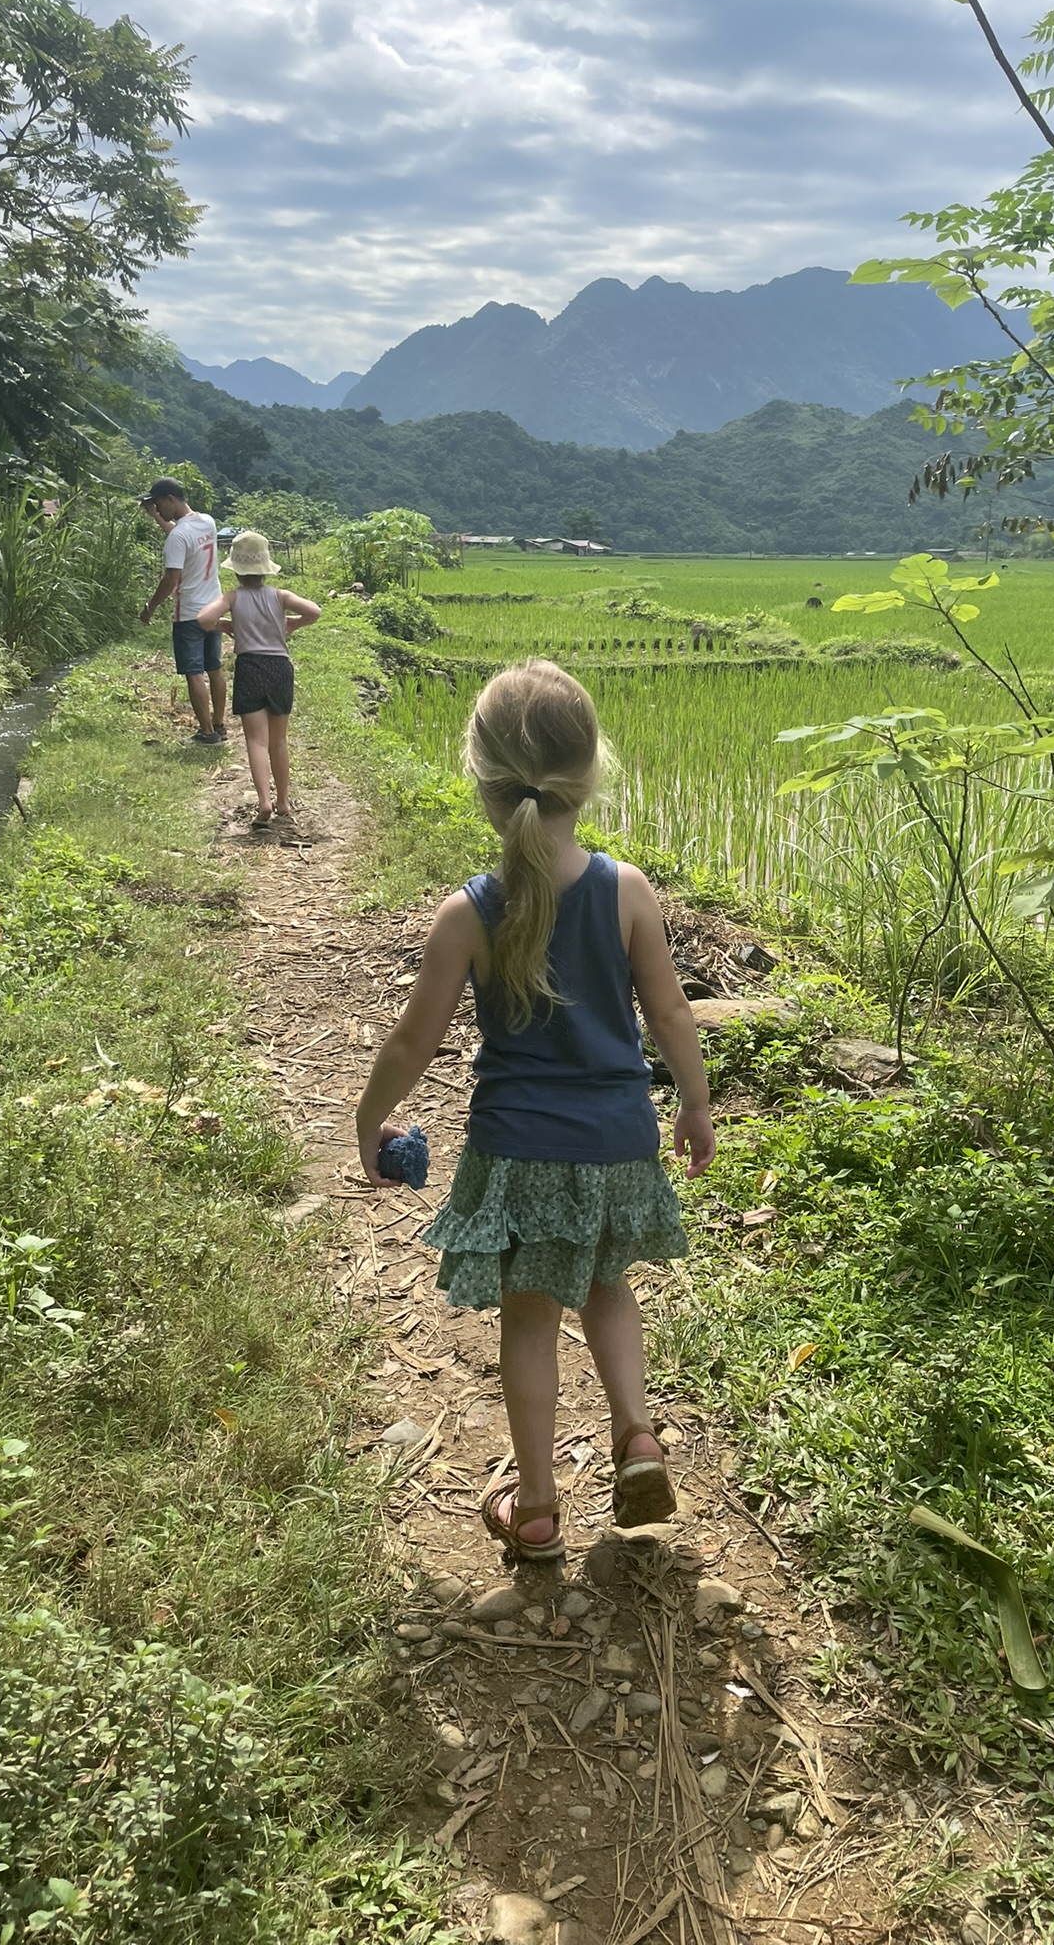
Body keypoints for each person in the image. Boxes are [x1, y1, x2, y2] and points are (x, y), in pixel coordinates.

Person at [355, 660, 716, 1562]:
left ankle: (541, 1507)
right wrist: (696, 1106)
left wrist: (370, 1118)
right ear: (590, 774)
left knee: (528, 1321)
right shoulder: (626, 889)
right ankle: (637, 1433)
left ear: (479, 780)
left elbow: (413, 1044)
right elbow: (670, 1016)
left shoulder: (469, 912)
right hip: (618, 1140)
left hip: (519, 1153)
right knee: (607, 1287)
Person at [194, 531, 320, 828]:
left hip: (249, 667)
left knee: (256, 740)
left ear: (236, 569)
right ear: (266, 568)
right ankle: (284, 802)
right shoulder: (281, 596)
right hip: (279, 668)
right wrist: (294, 623)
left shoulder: (232, 597)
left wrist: (225, 625)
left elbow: (203, 619)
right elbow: (315, 611)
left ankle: (263, 800)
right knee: (279, 740)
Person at [138, 476, 227, 745]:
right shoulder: (207, 522)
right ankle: (220, 724)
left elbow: (171, 579)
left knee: (194, 672)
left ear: (170, 500)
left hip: (189, 613)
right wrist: (156, 517)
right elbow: (181, 537)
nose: (157, 509)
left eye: (157, 504)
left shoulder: (178, 536)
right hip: (214, 607)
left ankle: (207, 734)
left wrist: (150, 607)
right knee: (214, 668)